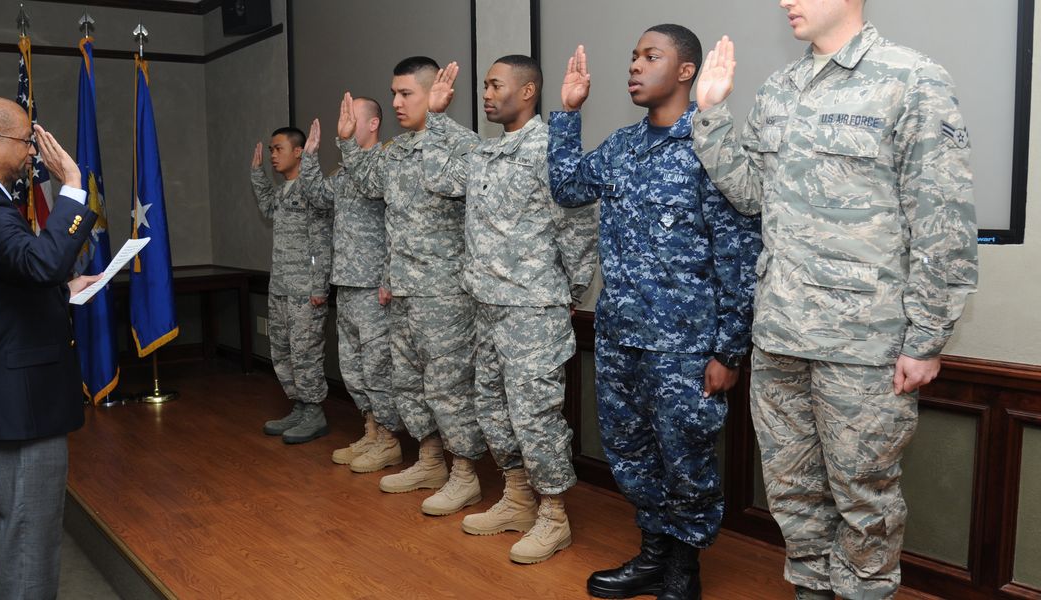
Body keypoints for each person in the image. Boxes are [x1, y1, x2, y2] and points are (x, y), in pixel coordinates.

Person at [692, 0, 979, 597]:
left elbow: (942, 219)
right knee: (793, 493)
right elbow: (750, 195)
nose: (786, 1)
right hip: (779, 334)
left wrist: (926, 339)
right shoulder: (778, 89)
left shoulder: (912, 78)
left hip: (864, 343)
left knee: (864, 498)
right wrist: (712, 113)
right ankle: (811, 590)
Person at [549, 27, 762, 599]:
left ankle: (683, 570)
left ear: (687, 70)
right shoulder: (622, 146)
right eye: (634, 57)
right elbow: (568, 188)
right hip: (621, 336)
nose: (635, 67)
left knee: (686, 456)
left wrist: (728, 350)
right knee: (630, 451)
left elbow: (738, 256)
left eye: (651, 56)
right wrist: (569, 115)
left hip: (686, 347)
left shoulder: (711, 146)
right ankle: (652, 555)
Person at [419, 56, 597, 564]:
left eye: (496, 85)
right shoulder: (485, 154)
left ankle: (554, 515)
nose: (487, 94)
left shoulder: (548, 149)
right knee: (495, 413)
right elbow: (437, 177)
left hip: (531, 310)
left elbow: (579, 227)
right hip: (485, 307)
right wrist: (434, 117)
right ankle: (517, 498)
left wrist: (570, 294)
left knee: (536, 417)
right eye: (485, 86)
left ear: (528, 91)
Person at [0, 96, 99, 599]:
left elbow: (13, 277)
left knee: (17, 532)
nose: (34, 150)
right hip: (18, 398)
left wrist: (61, 291)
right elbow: (40, 264)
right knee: (28, 535)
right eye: (26, 140)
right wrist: (72, 188)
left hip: (11, 391)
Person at [336, 56, 487, 516]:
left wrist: (438, 124)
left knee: (447, 388)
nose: (397, 102)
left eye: (406, 94)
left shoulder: (463, 144)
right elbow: (366, 184)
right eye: (394, 93)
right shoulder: (397, 150)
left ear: (435, 92)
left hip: (445, 293)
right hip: (400, 289)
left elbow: (462, 194)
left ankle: (466, 476)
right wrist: (347, 145)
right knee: (410, 385)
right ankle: (429, 460)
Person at [299, 99, 405, 473]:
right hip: (346, 282)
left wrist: (389, 277)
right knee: (354, 367)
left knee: (377, 368)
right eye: (341, 118)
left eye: (351, 118)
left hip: (374, 285)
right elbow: (317, 198)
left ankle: (389, 440)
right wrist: (309, 158)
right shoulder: (346, 171)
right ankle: (372, 431)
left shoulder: (384, 164)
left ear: (374, 123)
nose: (342, 125)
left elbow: (398, 225)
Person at [250, 127, 334, 444]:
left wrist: (317, 286)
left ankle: (315, 412)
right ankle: (299, 406)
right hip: (281, 286)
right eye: (271, 149)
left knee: (305, 353)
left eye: (278, 148)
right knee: (282, 351)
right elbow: (267, 207)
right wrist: (257, 173)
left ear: (298, 152)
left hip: (304, 289)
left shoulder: (311, 191)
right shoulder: (284, 191)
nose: (273, 155)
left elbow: (321, 242)